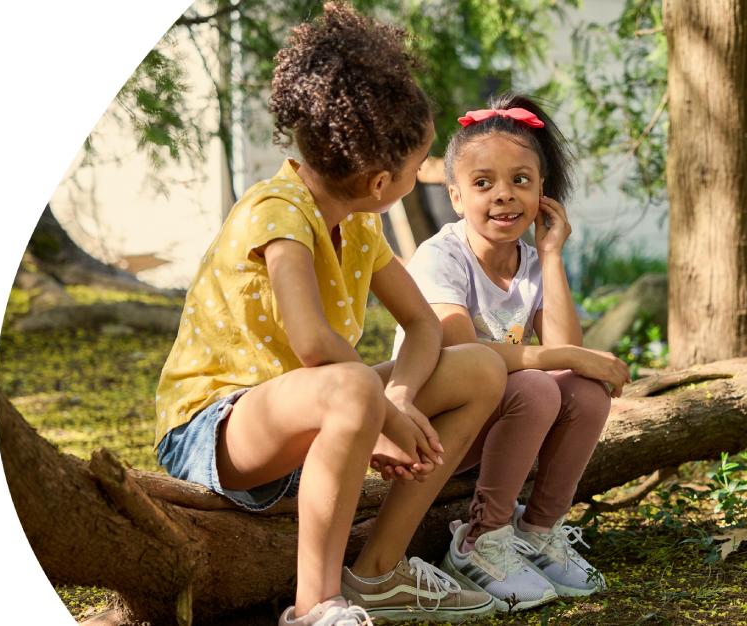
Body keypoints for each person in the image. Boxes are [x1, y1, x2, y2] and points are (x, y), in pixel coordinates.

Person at [153, 4, 506, 625]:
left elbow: (424, 325)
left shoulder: (361, 226)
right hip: (217, 431)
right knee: (346, 384)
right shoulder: (278, 211)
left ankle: (378, 572)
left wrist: (396, 395)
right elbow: (314, 344)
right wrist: (385, 414)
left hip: (316, 413)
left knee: (477, 367)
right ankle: (316, 606)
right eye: (418, 162)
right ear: (378, 182)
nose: (423, 173)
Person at [391, 92, 632, 612]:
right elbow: (463, 354)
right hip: (436, 428)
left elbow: (568, 355)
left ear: (542, 191)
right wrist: (560, 360)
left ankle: (539, 530)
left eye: (521, 180)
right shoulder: (442, 257)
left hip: (500, 423)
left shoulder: (530, 260)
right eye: (483, 184)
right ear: (455, 197)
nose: (504, 196)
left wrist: (551, 256)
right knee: (534, 382)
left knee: (586, 391)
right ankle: (482, 539)